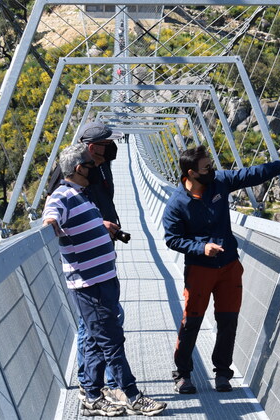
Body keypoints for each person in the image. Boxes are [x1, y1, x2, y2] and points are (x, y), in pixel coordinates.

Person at [162, 145, 280, 394]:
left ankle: (222, 373)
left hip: (229, 267)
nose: (212, 170)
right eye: (206, 168)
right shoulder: (177, 205)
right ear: (191, 173)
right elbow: (172, 239)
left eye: (211, 165)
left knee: (228, 320)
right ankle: (183, 374)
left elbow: (255, 174)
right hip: (200, 270)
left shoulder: (219, 182)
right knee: (192, 322)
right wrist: (201, 248)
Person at [44, 143, 166, 417]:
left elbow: (78, 223)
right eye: (90, 164)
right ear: (78, 169)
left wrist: (102, 227)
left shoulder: (82, 195)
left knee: (96, 340)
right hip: (89, 284)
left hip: (104, 278)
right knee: (111, 340)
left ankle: (91, 395)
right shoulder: (62, 195)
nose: (95, 167)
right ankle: (133, 396)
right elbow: (51, 215)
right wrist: (50, 223)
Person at [48, 121, 126, 401]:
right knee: (96, 326)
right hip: (86, 267)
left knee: (101, 324)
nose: (113, 147)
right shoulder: (74, 170)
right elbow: (58, 203)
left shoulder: (98, 164)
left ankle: (96, 384)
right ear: (93, 147)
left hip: (100, 258)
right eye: (107, 144)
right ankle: (94, 384)